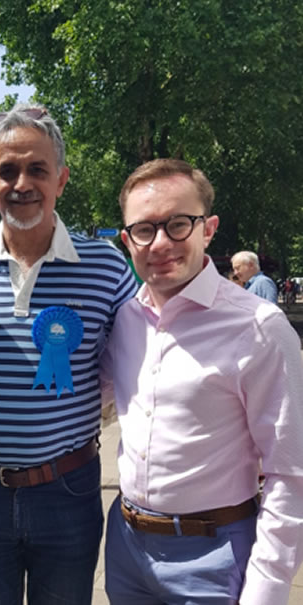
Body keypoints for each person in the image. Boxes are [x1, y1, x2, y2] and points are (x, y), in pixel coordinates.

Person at [0, 104, 138, 605]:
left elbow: (144, 350)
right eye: (7, 171)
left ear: (62, 180)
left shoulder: (105, 266)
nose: (22, 182)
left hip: (67, 491)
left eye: (37, 169)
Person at [102, 158, 303, 604]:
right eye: (144, 229)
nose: (160, 243)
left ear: (207, 229)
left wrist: (266, 592)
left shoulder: (259, 327)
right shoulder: (124, 320)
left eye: (178, 224)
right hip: (126, 546)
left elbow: (290, 474)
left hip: (215, 553)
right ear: (126, 240)